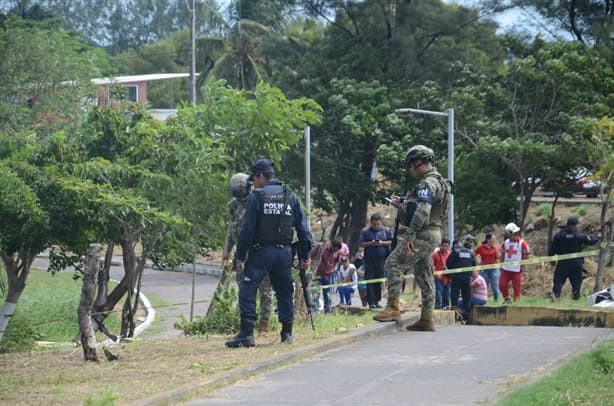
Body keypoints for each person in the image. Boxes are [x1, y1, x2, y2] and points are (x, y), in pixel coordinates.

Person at [226, 159, 313, 348]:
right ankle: (287, 333)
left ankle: (247, 334)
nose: (253, 184)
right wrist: (306, 256)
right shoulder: (290, 195)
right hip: (284, 254)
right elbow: (304, 230)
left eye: (254, 179)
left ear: (260, 176)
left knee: (248, 290)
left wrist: (240, 256)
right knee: (284, 292)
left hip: (260, 253)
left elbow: (248, 229)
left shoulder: (257, 196)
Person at [374, 145, 451, 332]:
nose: (411, 170)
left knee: (393, 263)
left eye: (411, 165)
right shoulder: (441, 182)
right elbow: (424, 208)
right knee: (424, 274)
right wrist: (403, 205)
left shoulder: (427, 183)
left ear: (418, 162)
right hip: (434, 232)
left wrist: (410, 235)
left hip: (423, 233)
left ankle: (392, 307)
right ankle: (426, 318)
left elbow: (423, 210)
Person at [222, 172, 274, 335]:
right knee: (244, 289)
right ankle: (247, 324)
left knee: (265, 289)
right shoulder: (234, 205)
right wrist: (227, 250)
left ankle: (264, 323)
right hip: (241, 254)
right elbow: (232, 228)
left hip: (259, 251)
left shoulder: (258, 199)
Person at [549, 217, 599, 300]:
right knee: (576, 282)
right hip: (576, 263)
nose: (577, 227)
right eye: (576, 225)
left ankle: (556, 297)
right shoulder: (579, 236)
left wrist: (551, 258)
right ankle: (576, 298)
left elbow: (552, 248)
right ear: (574, 225)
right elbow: (591, 241)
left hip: (563, 262)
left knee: (558, 281)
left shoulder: (559, 235)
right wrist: (598, 238)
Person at [359, 213, 393, 309]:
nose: (376, 226)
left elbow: (391, 241)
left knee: (379, 279)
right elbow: (361, 243)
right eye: (374, 224)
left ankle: (377, 300)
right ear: (371, 223)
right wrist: (371, 243)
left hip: (382, 259)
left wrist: (382, 243)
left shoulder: (386, 230)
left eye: (378, 224)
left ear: (380, 222)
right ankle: (371, 301)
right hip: (369, 259)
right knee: (370, 279)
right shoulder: (365, 231)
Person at [311, 239, 349, 313]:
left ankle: (328, 312)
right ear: (331, 245)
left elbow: (337, 262)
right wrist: (313, 267)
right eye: (334, 249)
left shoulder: (338, 252)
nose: (335, 251)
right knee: (315, 294)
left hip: (328, 276)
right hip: (317, 275)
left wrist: (333, 269)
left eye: (337, 250)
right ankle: (315, 312)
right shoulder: (320, 247)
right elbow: (311, 257)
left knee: (328, 295)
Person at [447, 234, 476, 321]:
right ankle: (467, 317)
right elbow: (474, 265)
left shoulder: (455, 252)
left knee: (455, 297)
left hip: (456, 277)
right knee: (466, 298)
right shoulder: (470, 253)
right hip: (467, 278)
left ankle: (455, 316)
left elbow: (448, 264)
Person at [499, 223, 530, 304]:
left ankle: (516, 303)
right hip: (506, 269)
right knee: (502, 284)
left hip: (517, 269)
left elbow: (527, 254)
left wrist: (522, 265)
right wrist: (501, 265)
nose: (507, 235)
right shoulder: (505, 243)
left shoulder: (522, 243)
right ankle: (507, 298)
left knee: (517, 288)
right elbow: (503, 255)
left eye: (508, 233)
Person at [474, 233, 501, 303]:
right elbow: (474, 254)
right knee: (484, 285)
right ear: (488, 239)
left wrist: (498, 251)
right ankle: (484, 301)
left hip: (494, 269)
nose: (494, 240)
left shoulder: (495, 247)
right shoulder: (481, 247)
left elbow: (499, 257)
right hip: (484, 269)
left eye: (494, 239)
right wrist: (478, 262)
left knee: (494, 285)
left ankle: (496, 301)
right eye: (493, 239)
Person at [433, 239, 451, 309]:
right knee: (438, 295)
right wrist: (435, 275)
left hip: (448, 278)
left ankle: (446, 308)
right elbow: (432, 266)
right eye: (443, 246)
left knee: (446, 295)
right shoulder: (435, 254)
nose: (445, 248)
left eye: (447, 246)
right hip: (439, 278)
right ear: (440, 245)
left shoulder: (450, 254)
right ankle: (438, 308)